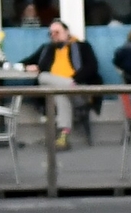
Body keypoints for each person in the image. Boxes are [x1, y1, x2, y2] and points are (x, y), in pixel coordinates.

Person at [26, 19, 102, 150]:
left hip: (79, 92)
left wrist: (75, 80)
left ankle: (70, 86)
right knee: (54, 88)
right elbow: (25, 62)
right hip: (61, 92)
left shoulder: (82, 46)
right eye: (51, 33)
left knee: (46, 80)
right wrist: (27, 67)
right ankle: (63, 137)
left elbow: (92, 67)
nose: (53, 35)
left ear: (67, 32)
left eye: (57, 32)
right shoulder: (47, 49)